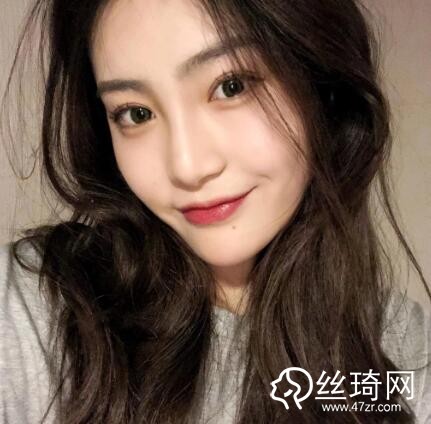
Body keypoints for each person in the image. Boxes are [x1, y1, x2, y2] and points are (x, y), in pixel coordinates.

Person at [0, 0, 430, 423]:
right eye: (136, 113)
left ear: (322, 87)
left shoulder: (403, 349)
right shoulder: (35, 310)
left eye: (231, 86)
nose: (187, 167)